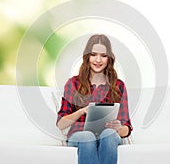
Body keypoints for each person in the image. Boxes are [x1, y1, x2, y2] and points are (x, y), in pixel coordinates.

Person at [56, 34, 132, 164]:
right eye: (93, 54)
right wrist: (81, 111)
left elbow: (127, 129)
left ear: (109, 58)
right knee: (87, 137)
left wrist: (119, 128)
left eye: (103, 56)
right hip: (80, 135)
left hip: (108, 136)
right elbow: (61, 124)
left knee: (108, 134)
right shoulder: (73, 83)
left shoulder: (118, 86)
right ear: (87, 56)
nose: (98, 60)